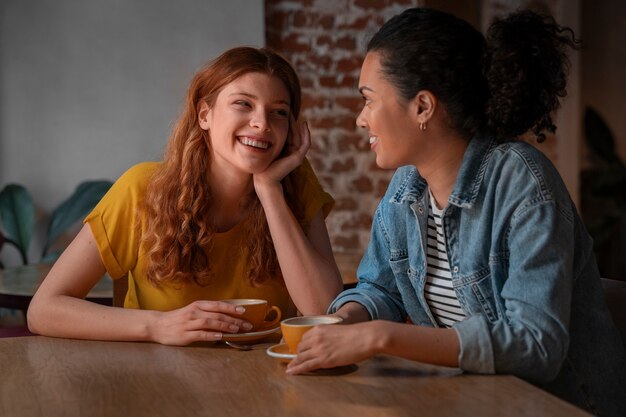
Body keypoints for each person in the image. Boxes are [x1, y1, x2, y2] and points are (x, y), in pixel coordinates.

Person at [286, 8, 626, 417]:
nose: (360, 120)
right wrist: (342, 325)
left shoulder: (523, 181)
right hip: (470, 401)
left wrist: (381, 338)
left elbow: (537, 344)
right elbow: (380, 290)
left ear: (423, 106)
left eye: (368, 100)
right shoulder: (405, 188)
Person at [28, 47, 343, 346]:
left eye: (279, 112)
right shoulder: (141, 189)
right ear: (204, 115)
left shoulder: (294, 184)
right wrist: (158, 326)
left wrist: (269, 191)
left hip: (264, 384)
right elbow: (43, 310)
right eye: (244, 104)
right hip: (158, 385)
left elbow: (324, 310)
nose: (262, 124)